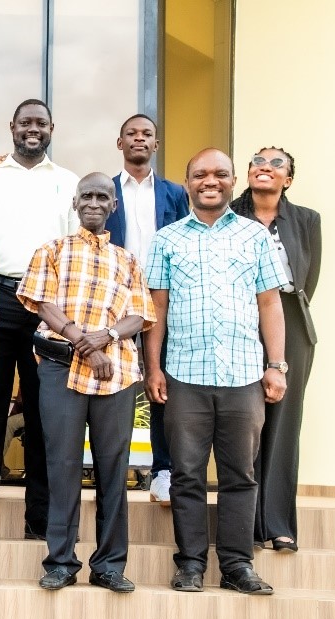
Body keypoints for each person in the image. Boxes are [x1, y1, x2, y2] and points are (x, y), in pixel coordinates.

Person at [144, 148, 287, 596]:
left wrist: (276, 366)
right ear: (187, 183)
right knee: (185, 476)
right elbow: (157, 310)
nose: (211, 180)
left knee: (240, 476)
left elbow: (270, 303)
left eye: (220, 174)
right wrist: (154, 368)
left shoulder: (255, 236)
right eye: (200, 174)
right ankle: (189, 564)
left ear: (231, 182)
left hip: (244, 376)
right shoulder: (167, 240)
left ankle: (237, 566)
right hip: (185, 374)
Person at [18, 172, 156, 593]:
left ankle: (109, 565)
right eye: (87, 196)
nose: (94, 202)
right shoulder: (53, 251)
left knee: (113, 469)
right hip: (63, 371)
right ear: (75, 204)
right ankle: (60, 561)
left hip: (115, 374)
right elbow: (42, 303)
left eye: (103, 197)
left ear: (114, 206)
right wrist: (85, 343)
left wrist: (108, 337)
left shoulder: (128, 260)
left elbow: (140, 314)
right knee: (62, 466)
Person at [0, 99, 80, 541]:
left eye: (41, 123)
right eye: (25, 122)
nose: (33, 129)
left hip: (48, 306)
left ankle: (40, 519)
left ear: (52, 128)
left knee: (45, 412)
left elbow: (72, 249)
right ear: (12, 127)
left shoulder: (68, 182)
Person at [231, 147, 321, 553]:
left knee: (284, 424)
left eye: (276, 163)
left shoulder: (306, 220)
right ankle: (246, 523)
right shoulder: (228, 215)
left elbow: (308, 278)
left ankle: (280, 524)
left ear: (289, 179)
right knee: (247, 421)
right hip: (240, 319)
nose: (265, 166)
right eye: (257, 161)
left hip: (291, 321)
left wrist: (284, 326)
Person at [105, 114, 189, 505]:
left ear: (156, 144)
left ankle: (163, 471)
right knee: (114, 388)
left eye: (147, 134)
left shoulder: (174, 194)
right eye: (131, 134)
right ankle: (109, 471)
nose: (139, 139)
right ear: (119, 143)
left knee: (162, 386)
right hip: (114, 304)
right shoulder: (104, 190)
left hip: (160, 300)